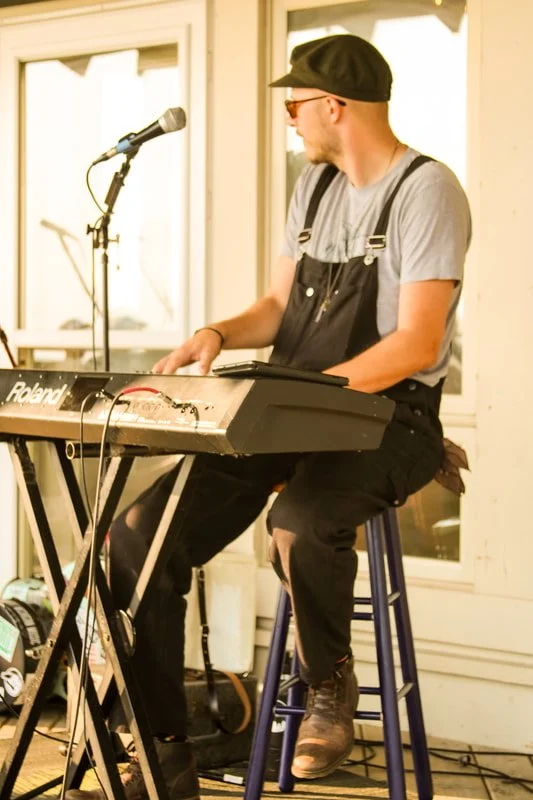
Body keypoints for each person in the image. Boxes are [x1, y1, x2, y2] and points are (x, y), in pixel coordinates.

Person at [67, 33, 471, 800]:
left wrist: (296, 399)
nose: (288, 116)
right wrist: (218, 333)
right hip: (290, 414)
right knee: (138, 538)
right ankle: (163, 749)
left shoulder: (426, 191)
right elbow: (278, 308)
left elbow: (415, 343)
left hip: (389, 421)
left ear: (333, 106)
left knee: (298, 523)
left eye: (295, 102)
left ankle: (328, 688)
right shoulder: (311, 189)